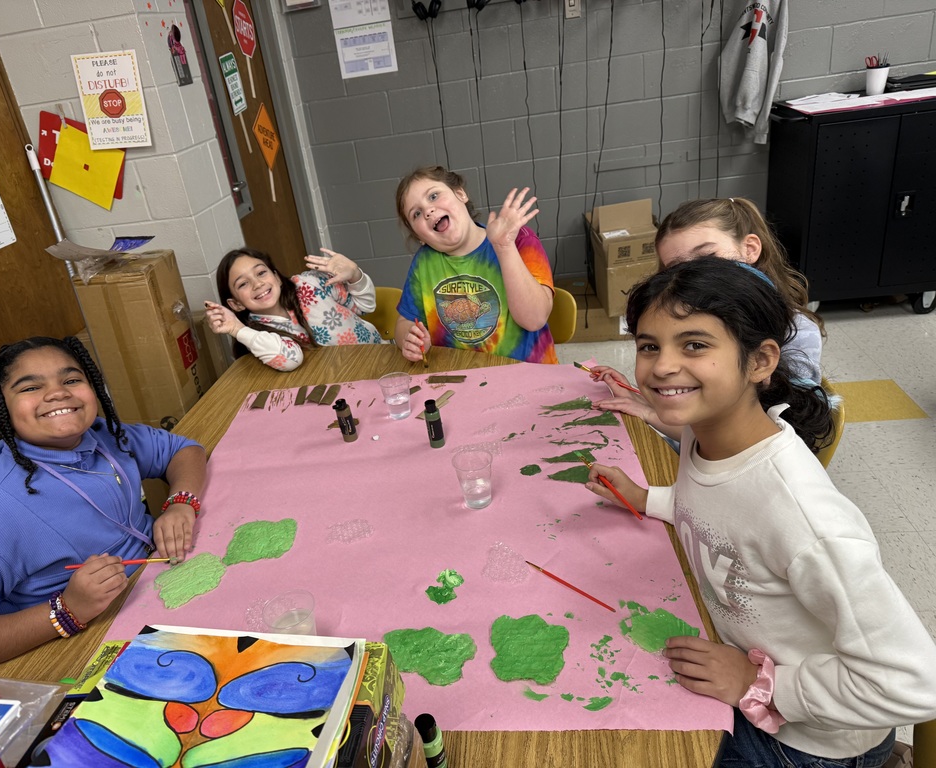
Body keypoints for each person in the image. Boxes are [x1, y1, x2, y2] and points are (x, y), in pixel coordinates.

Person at [584, 258, 936, 765]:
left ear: (760, 361)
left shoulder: (802, 516)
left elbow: (913, 682)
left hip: (807, 741)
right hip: (751, 667)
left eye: (695, 344)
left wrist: (759, 682)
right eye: (648, 345)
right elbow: (716, 512)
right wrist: (647, 499)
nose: (661, 366)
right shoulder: (703, 437)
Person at [0, 337, 206, 668]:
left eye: (71, 380)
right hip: (80, 645)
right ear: (0, 415)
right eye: (29, 388)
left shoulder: (102, 436)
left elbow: (184, 450)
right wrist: (66, 610)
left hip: (159, 585)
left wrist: (181, 502)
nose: (58, 393)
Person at [590, 197, 824, 445]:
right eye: (676, 268)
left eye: (708, 257)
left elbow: (754, 439)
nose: (696, 275)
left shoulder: (797, 331)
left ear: (750, 249)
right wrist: (642, 399)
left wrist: (650, 413)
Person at [392, 166, 557, 364]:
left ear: (461, 194)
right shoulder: (424, 262)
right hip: (461, 376)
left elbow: (534, 319)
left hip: (528, 372)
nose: (427, 211)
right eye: (416, 214)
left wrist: (504, 247)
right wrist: (408, 339)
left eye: (434, 196)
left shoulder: (518, 239)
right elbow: (405, 321)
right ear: (419, 237)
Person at [204, 247, 383, 371]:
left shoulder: (310, 284)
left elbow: (365, 306)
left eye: (261, 273)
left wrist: (355, 274)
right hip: (343, 382)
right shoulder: (258, 335)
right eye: (243, 284)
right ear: (236, 304)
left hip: (380, 357)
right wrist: (236, 329)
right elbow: (291, 360)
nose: (257, 284)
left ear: (277, 277)